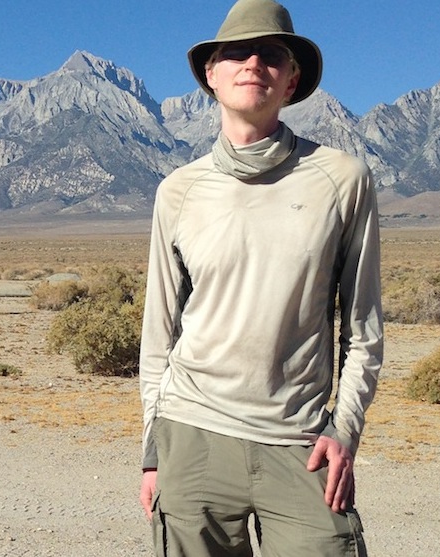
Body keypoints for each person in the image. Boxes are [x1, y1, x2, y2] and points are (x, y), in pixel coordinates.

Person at [137, 0, 383, 555]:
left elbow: (363, 327)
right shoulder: (178, 190)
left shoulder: (342, 179)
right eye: (236, 53)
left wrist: (344, 428)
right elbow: (160, 336)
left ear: (292, 78)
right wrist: (154, 450)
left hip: (299, 442)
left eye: (271, 54)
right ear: (211, 73)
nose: (253, 63)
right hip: (192, 434)